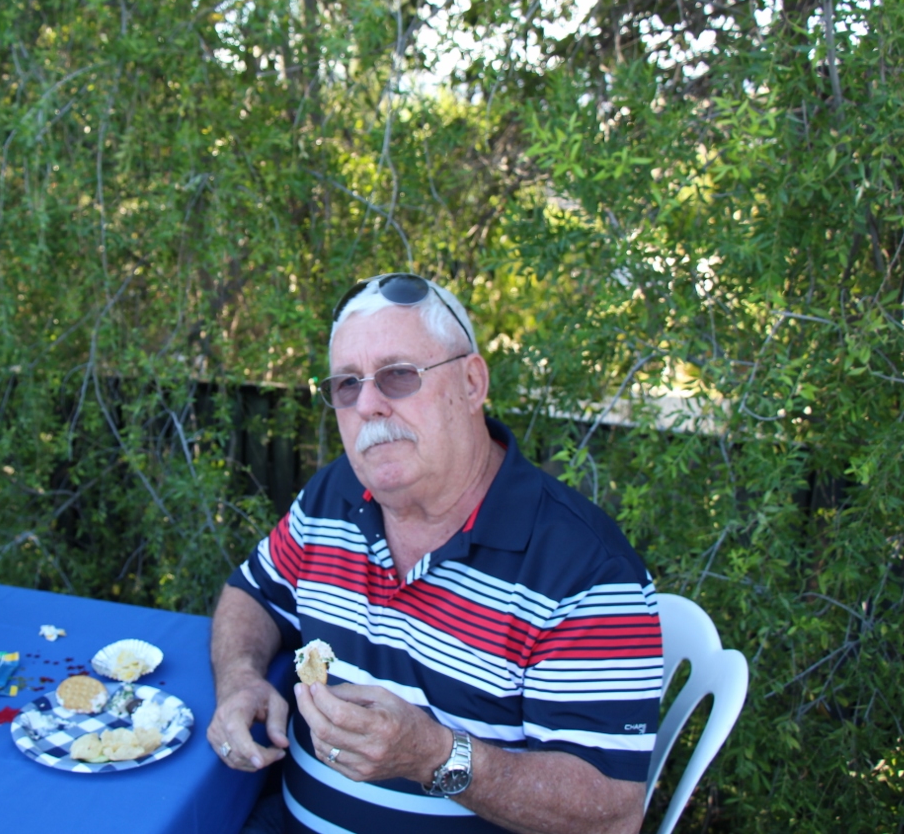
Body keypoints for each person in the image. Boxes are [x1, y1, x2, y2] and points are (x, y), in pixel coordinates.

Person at [207, 274, 663, 834]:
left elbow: (610, 813)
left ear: (472, 383)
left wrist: (435, 757)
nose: (368, 404)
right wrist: (241, 679)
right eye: (347, 385)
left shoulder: (584, 571)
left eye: (398, 375)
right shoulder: (334, 497)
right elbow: (251, 594)